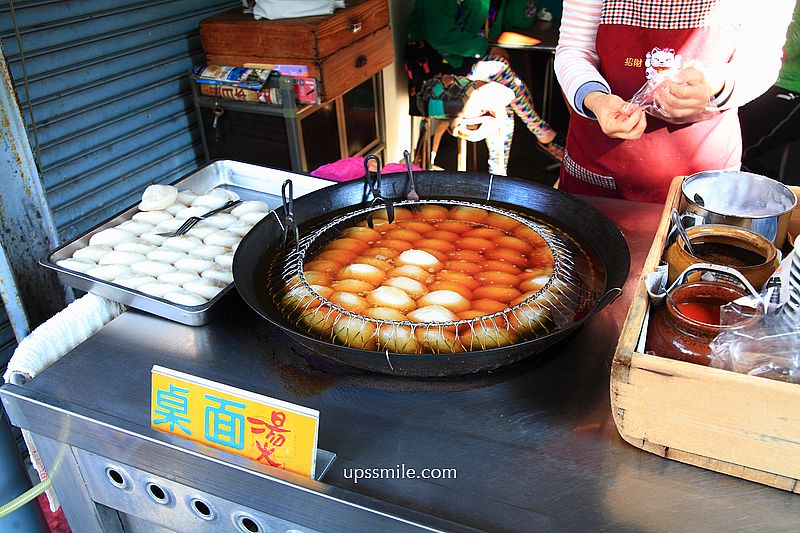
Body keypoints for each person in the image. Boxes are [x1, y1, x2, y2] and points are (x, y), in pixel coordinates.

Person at [554, 0, 796, 202]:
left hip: (703, 175)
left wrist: (716, 86)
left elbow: (762, 60)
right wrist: (595, 98)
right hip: (597, 164)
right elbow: (574, 50)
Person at [406, 0, 566, 165]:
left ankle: (499, 173)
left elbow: (519, 20)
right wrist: (487, 49)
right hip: (432, 82)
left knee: (502, 93)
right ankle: (540, 133)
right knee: (499, 69)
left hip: (463, 67)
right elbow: (441, 36)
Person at [739, 1, 800, 181]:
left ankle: (771, 195)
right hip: (762, 83)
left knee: (735, 151)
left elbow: (782, 48)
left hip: (791, 91)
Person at [416, 74, 516, 175]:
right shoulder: (487, 102)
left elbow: (441, 133)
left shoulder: (481, 103)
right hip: (439, 103)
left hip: (431, 101)